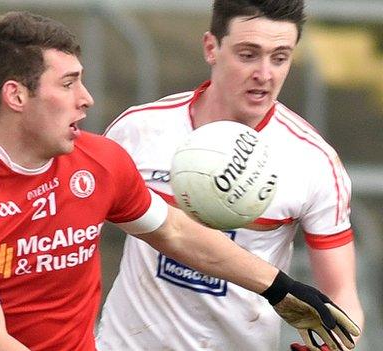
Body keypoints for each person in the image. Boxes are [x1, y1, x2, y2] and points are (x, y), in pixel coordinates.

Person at [0, 11, 359, 351]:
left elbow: (174, 230)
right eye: (69, 84)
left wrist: (280, 287)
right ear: (16, 95)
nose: (87, 99)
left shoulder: (100, 161)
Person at [96, 1, 365, 351]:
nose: (265, 74)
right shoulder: (138, 130)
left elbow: (342, 294)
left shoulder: (314, 161)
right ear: (211, 47)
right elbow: (74, 236)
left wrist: (331, 348)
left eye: (280, 58)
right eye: (248, 54)